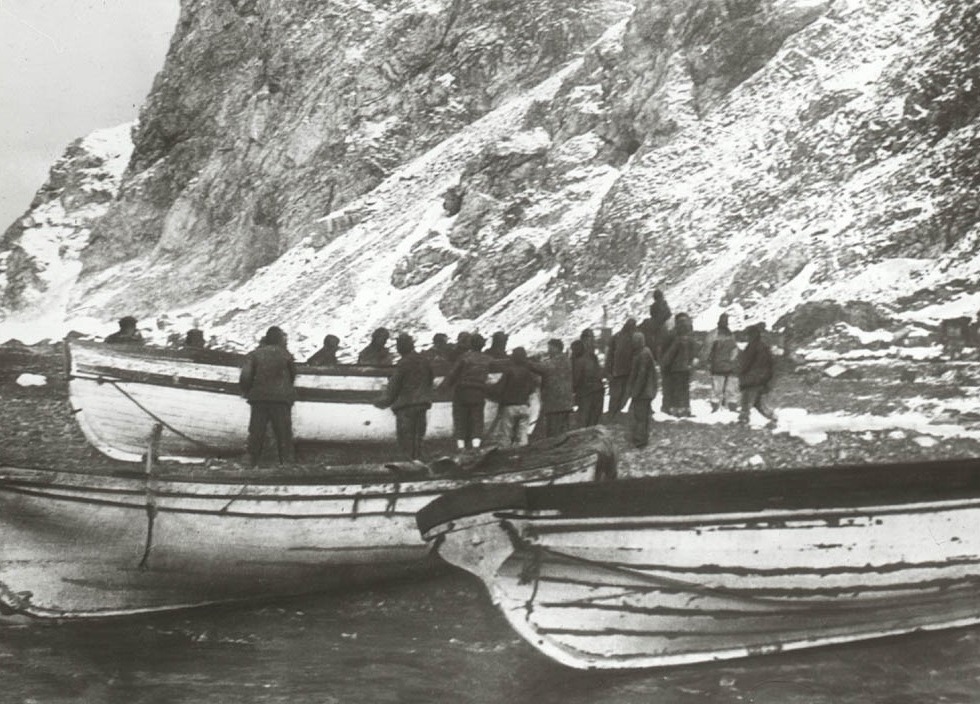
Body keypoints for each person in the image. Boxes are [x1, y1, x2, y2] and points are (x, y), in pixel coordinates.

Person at [239, 326, 296, 466]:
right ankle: (286, 465)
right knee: (283, 435)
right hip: (281, 400)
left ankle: (250, 465)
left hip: (259, 399)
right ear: (279, 340)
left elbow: (245, 377)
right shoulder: (286, 355)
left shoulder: (254, 354)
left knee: (256, 434)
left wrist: (247, 391)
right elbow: (293, 375)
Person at [375, 334, 434, 460]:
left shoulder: (403, 363)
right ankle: (420, 466)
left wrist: (381, 403)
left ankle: (408, 467)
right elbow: (430, 380)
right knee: (418, 439)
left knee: (406, 441)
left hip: (406, 407)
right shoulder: (424, 361)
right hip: (422, 404)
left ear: (400, 348)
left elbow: (394, 388)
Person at [442, 333, 492, 449]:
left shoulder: (464, 357)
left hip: (462, 391)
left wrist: (444, 387)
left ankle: (461, 447)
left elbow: (453, 374)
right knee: (477, 419)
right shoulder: (488, 359)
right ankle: (476, 447)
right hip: (479, 391)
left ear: (471, 344)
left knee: (460, 419)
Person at [488, 347, 538, 447]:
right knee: (523, 438)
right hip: (524, 406)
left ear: (513, 358)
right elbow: (532, 389)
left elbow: (499, 388)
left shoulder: (509, 371)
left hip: (510, 407)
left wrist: (487, 387)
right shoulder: (528, 372)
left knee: (506, 436)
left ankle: (506, 457)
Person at [529, 339, 574, 438]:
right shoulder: (565, 359)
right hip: (563, 402)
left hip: (556, 403)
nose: (548, 351)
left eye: (550, 348)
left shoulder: (559, 360)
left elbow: (543, 368)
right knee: (561, 431)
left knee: (554, 432)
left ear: (556, 348)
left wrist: (526, 363)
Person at [738, 323, 778, 426]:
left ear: (751, 335)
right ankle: (772, 416)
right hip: (763, 379)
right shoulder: (764, 347)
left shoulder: (751, 346)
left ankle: (743, 419)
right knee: (757, 401)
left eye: (748, 335)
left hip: (752, 378)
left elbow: (745, 362)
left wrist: (741, 373)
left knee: (746, 400)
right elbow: (771, 363)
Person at [626, 332, 658, 448]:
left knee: (640, 416)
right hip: (646, 391)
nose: (633, 344)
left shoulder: (643, 354)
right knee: (642, 416)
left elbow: (641, 375)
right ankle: (641, 438)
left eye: (635, 341)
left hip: (643, 392)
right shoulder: (643, 352)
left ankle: (640, 440)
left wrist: (635, 392)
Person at [702, 313, 739, 412]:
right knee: (730, 389)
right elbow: (734, 350)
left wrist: (706, 361)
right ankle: (732, 406)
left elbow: (707, 349)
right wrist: (731, 361)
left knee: (717, 389)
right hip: (729, 366)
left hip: (717, 366)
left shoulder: (713, 334)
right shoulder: (731, 335)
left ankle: (715, 407)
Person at [660, 313, 694, 417]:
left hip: (675, 368)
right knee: (685, 389)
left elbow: (669, 354)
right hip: (686, 368)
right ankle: (686, 409)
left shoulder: (676, 339)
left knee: (676, 389)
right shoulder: (690, 338)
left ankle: (676, 409)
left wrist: (663, 364)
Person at [605, 318, 637, 417]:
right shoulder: (616, 338)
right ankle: (612, 414)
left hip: (626, 372)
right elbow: (609, 355)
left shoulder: (633, 338)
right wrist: (608, 372)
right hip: (617, 373)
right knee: (616, 396)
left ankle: (616, 413)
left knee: (624, 395)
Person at [638, 290, 671, 359]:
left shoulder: (655, 305)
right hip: (660, 324)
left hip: (657, 323)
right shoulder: (664, 304)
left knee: (658, 341)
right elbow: (669, 314)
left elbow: (652, 314)